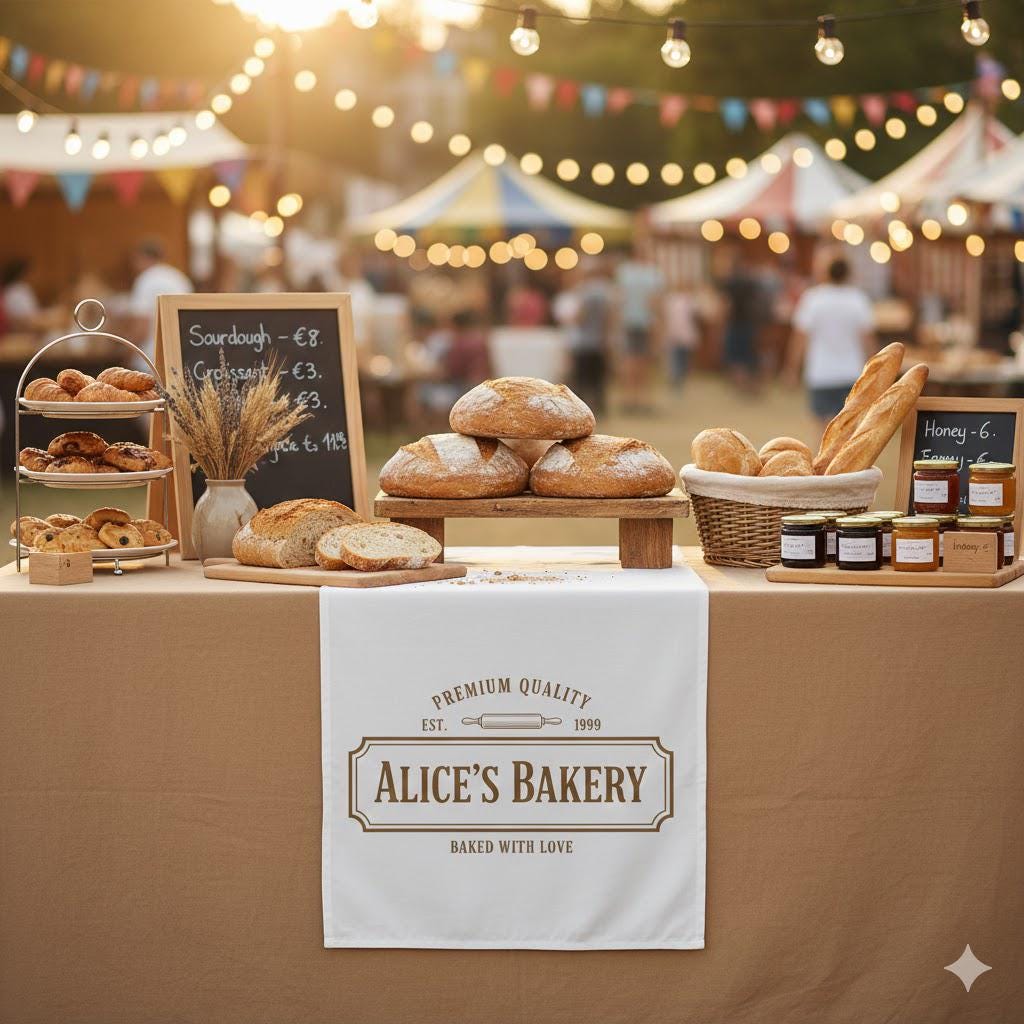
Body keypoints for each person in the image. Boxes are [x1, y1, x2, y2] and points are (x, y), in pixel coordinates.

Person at [787, 255, 875, 427]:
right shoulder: (858, 299)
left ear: (825, 273)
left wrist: (792, 369)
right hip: (851, 373)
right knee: (848, 431)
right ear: (848, 273)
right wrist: (873, 373)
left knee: (823, 434)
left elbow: (799, 339)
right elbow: (868, 340)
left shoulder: (813, 299)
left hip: (820, 373)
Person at [615, 243, 664, 413]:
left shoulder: (625, 272)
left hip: (631, 321)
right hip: (643, 321)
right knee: (641, 361)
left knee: (631, 361)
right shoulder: (653, 274)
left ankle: (632, 398)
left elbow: (619, 298)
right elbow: (656, 301)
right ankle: (641, 399)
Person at [128, 239, 193, 357]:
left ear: (142, 257)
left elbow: (141, 327)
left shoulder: (146, 279)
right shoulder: (179, 277)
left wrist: (127, 356)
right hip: (179, 355)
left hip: (150, 357)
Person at [570, 259, 613, 414]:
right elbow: (610, 316)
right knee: (598, 379)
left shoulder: (583, 291)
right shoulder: (605, 291)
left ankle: (580, 409)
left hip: (584, 341)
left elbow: (580, 316)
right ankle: (600, 407)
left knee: (581, 378)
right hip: (599, 341)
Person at [718, 253, 761, 393]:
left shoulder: (729, 282)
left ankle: (740, 384)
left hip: (734, 321)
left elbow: (726, 303)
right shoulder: (750, 281)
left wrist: (722, 319)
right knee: (747, 353)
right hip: (749, 321)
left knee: (735, 354)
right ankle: (748, 383)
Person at [662, 284, 700, 391]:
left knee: (680, 358)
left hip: (680, 333)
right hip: (676, 334)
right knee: (677, 358)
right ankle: (677, 379)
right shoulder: (674, 300)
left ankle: (678, 379)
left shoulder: (686, 300)